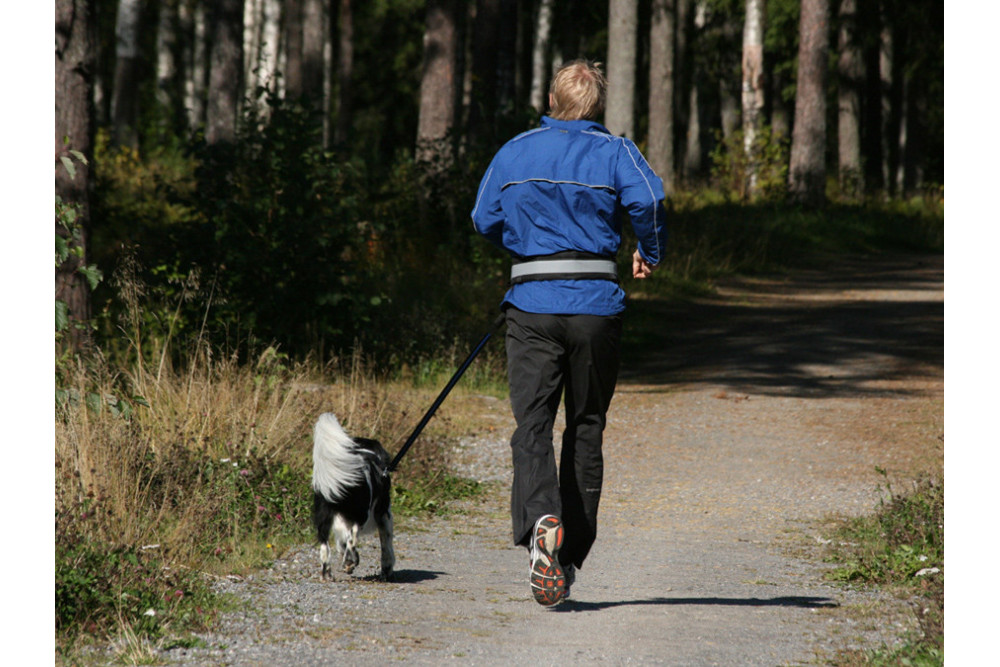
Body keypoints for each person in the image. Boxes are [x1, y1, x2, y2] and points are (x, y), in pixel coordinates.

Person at [471, 60, 666, 606]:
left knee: (531, 425)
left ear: (551, 99)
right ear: (595, 106)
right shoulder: (616, 151)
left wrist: (529, 241)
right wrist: (648, 251)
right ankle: (570, 555)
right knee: (585, 425)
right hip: (595, 308)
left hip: (531, 305)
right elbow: (648, 199)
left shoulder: (513, 151)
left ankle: (541, 521)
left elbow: (483, 217)